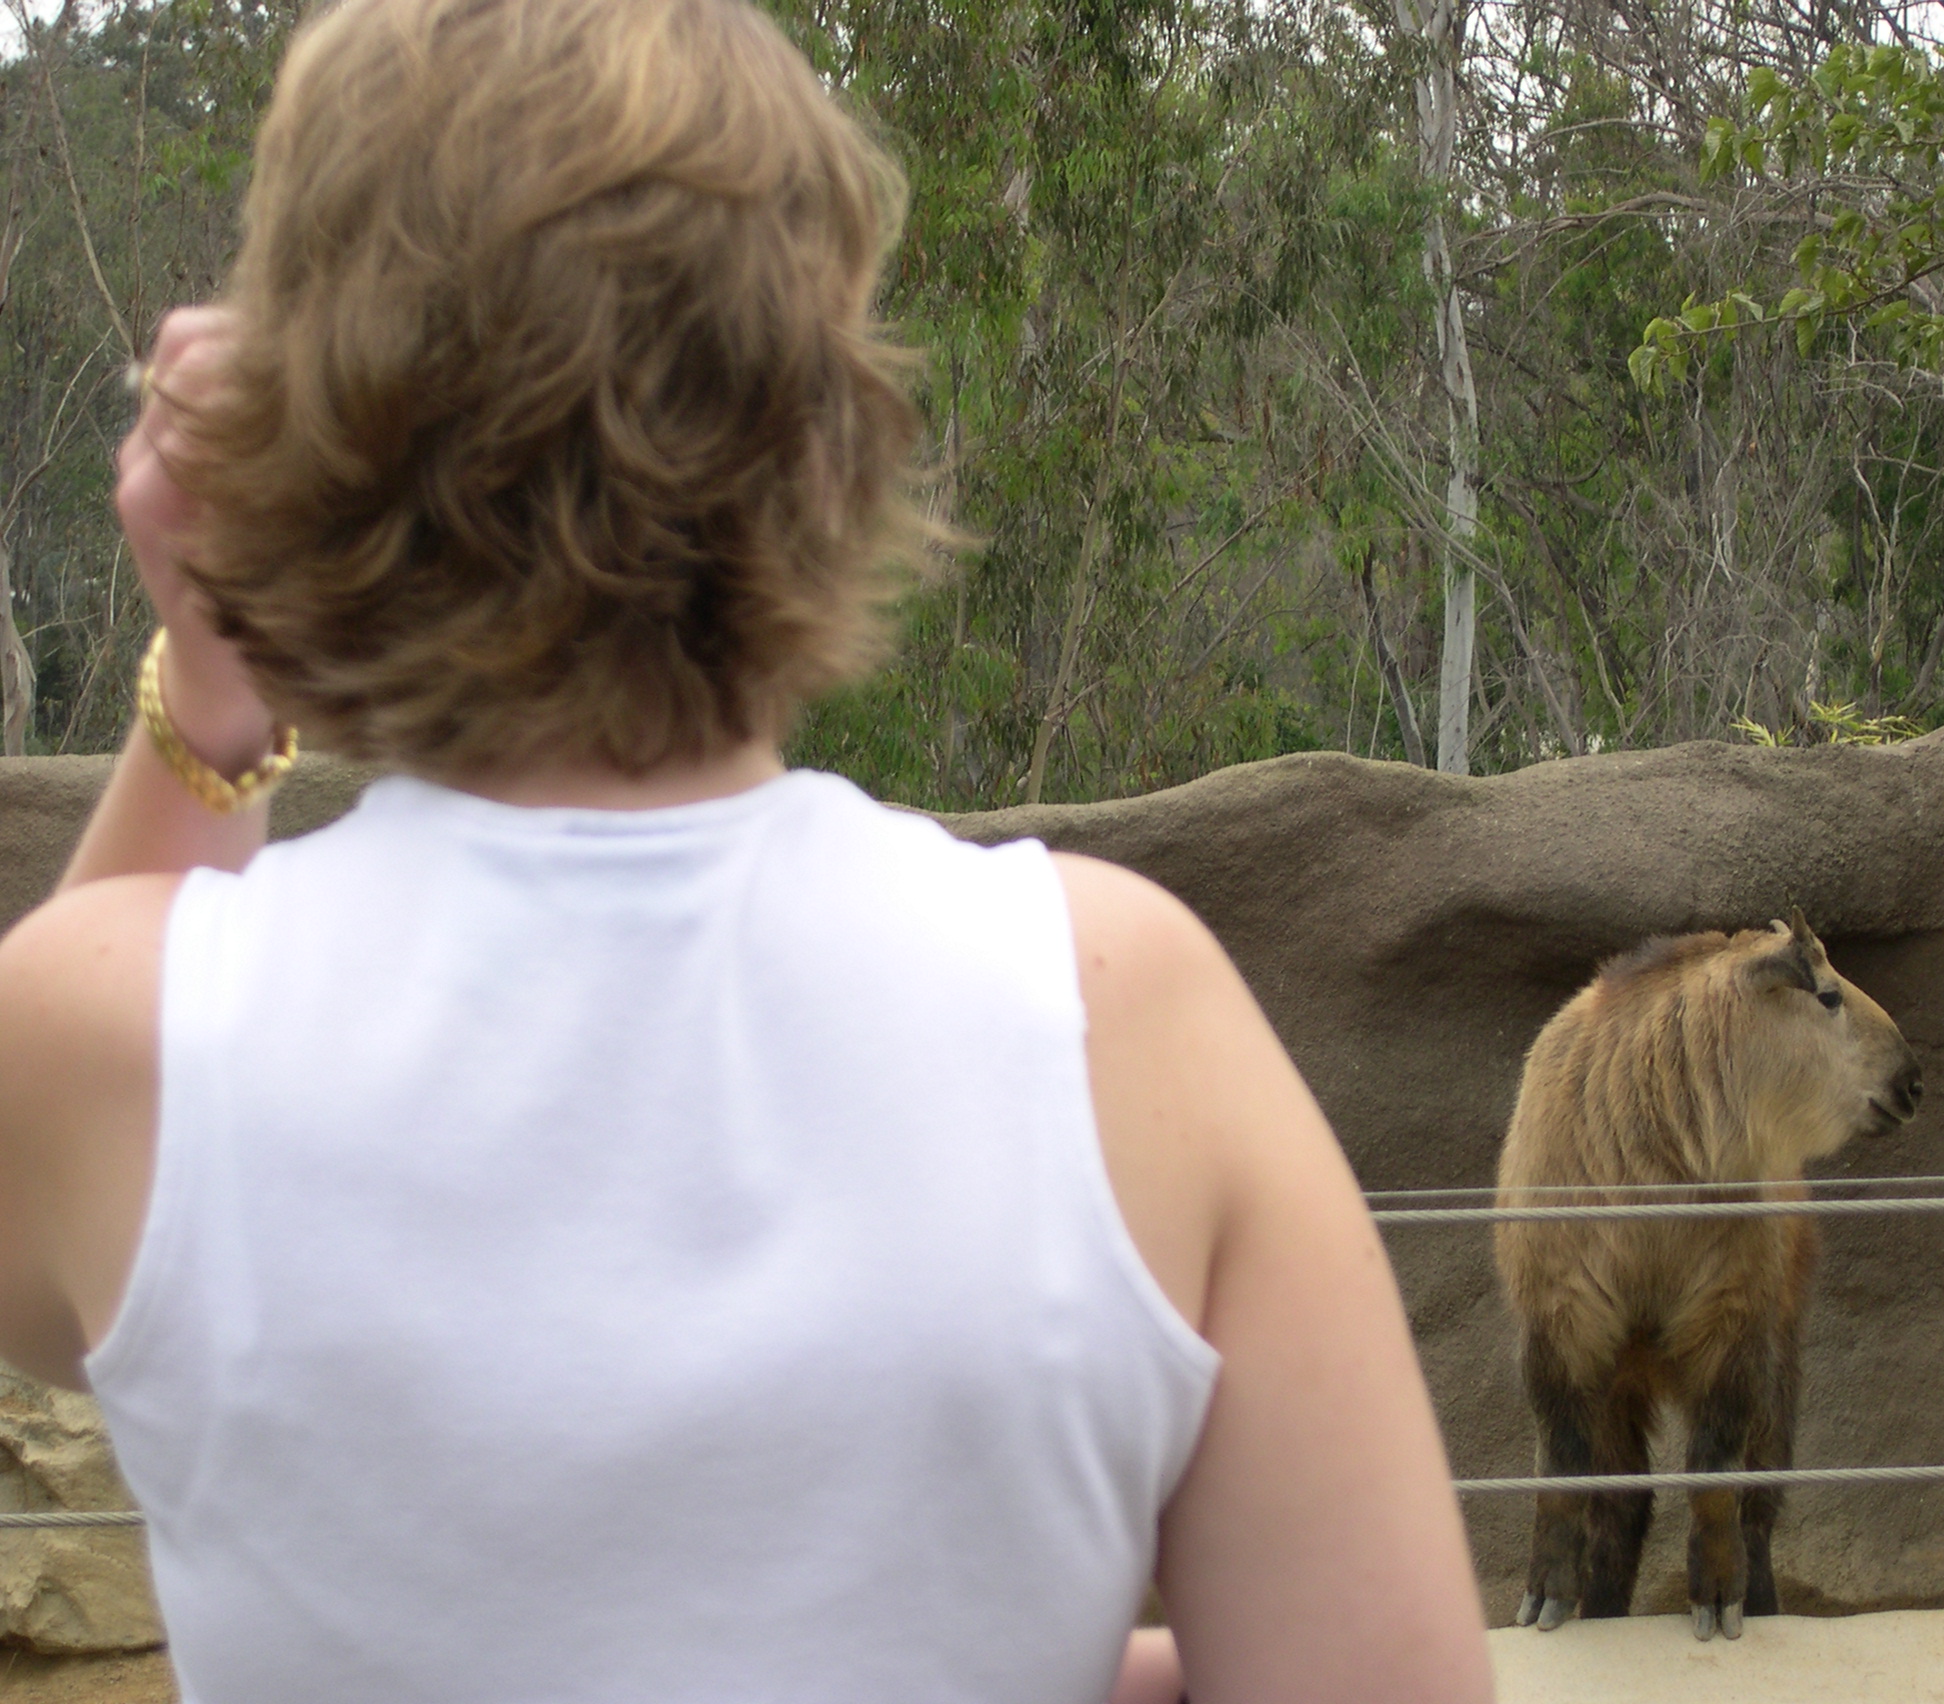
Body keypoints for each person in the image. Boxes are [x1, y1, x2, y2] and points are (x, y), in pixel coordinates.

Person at [0, 1, 1495, 1699]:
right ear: (827, 420)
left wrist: (213, 683)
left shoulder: (103, 1037)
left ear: (303, 425)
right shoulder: (1120, 1010)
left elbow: (54, 1273)